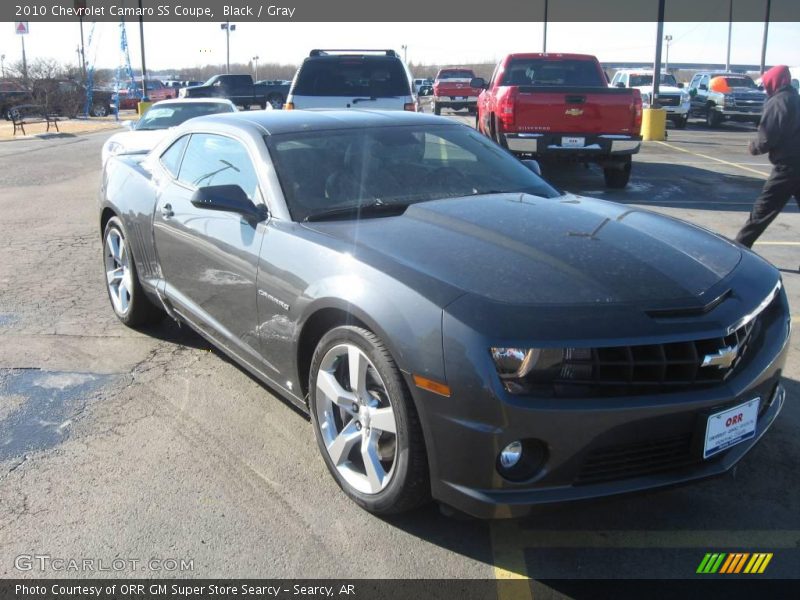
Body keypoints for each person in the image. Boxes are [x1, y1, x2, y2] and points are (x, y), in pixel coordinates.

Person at [735, 65, 800, 249]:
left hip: (787, 168)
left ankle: (739, 250)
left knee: (762, 211)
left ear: (773, 82)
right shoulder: (796, 98)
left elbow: (767, 137)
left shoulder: (779, 101)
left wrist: (753, 147)